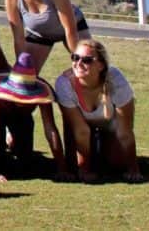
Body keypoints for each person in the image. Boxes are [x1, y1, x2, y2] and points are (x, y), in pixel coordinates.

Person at [55, 39, 142, 183]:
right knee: (74, 165)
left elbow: (125, 132)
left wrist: (133, 169)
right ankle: (91, 154)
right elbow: (81, 131)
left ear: (101, 65)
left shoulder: (116, 80)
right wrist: (85, 170)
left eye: (87, 60)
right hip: (81, 125)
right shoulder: (64, 84)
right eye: (75, 58)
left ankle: (104, 145)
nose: (79, 64)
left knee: (116, 164)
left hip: (110, 123)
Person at [0, 52, 69, 179]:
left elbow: (50, 129)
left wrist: (62, 168)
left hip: (22, 118)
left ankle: (10, 138)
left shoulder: (42, 94)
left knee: (25, 159)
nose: (21, 100)